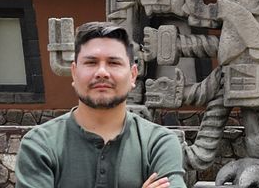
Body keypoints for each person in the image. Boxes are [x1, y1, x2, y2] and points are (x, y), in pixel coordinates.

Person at [16, 22, 187, 188]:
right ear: (74, 73)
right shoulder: (41, 144)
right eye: (91, 62)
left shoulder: (158, 144)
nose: (102, 72)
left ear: (133, 75)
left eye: (114, 63)